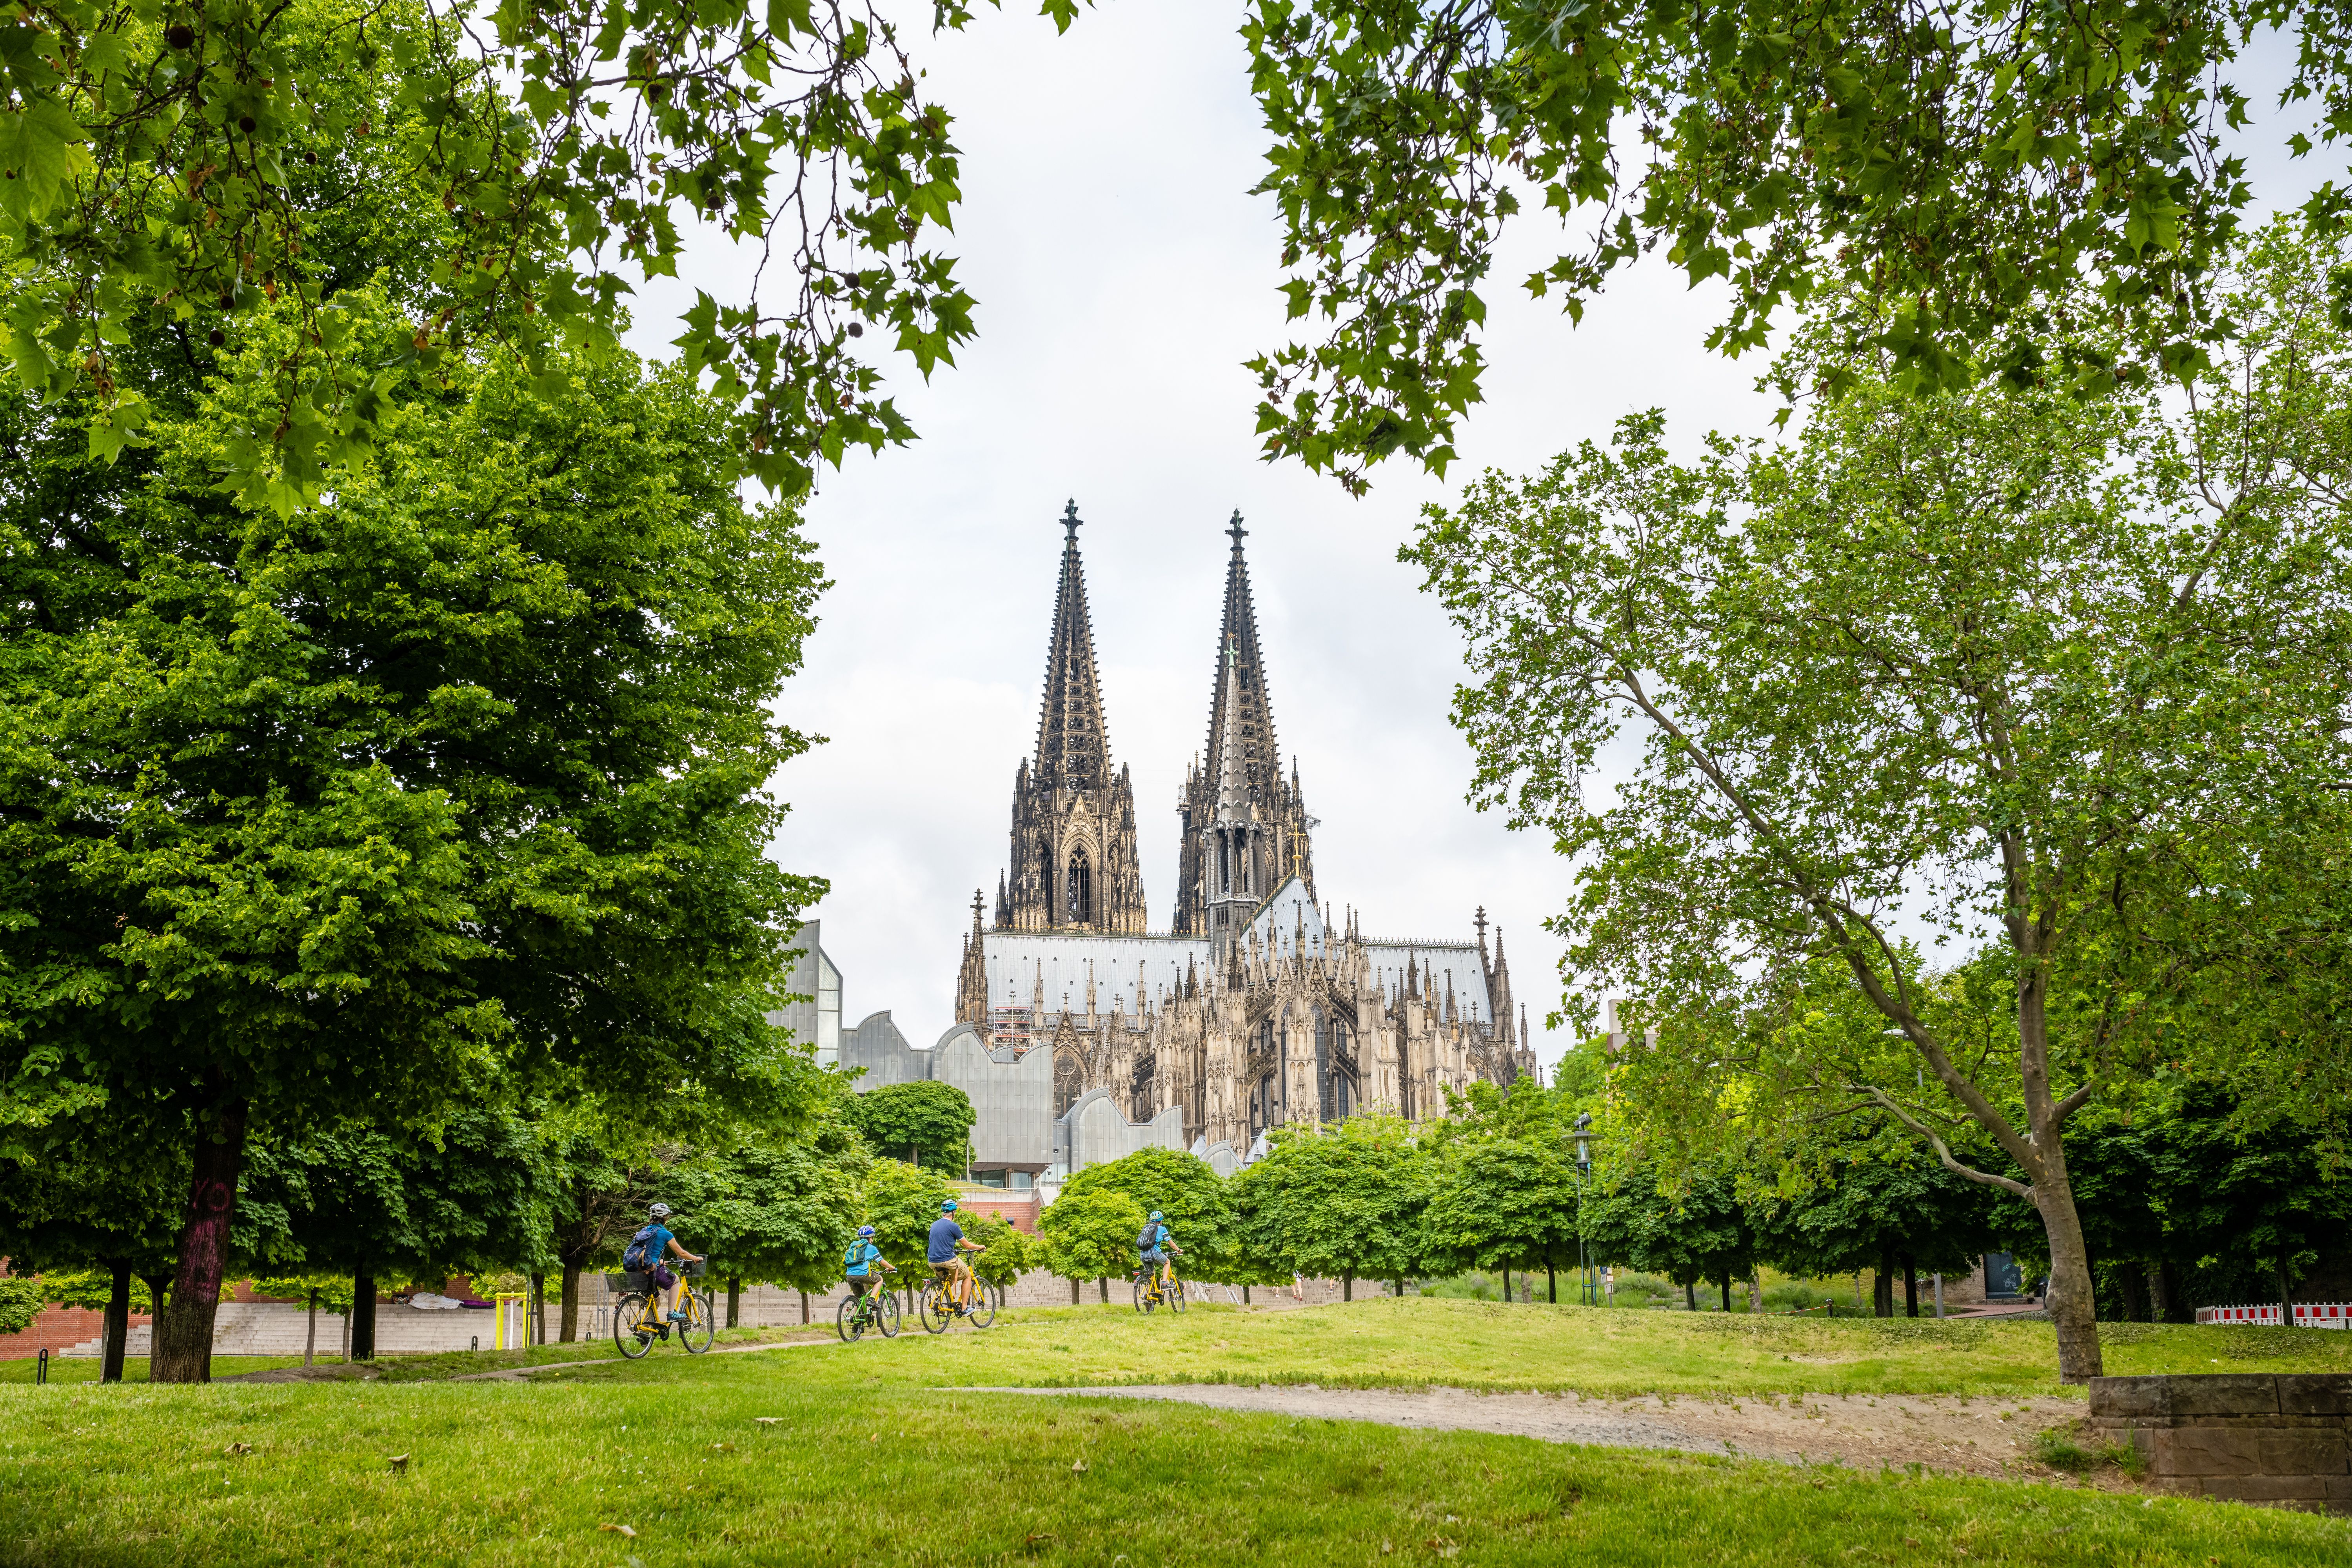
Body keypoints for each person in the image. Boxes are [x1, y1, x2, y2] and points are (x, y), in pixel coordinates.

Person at [635, 1202, 704, 1330]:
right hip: (652, 1272)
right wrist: (695, 1258)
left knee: (656, 1301)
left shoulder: (644, 1231)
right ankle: (672, 1313)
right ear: (665, 1218)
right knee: (676, 1280)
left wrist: (661, 1262)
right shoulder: (665, 1234)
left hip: (639, 1271)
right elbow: (681, 1253)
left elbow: (645, 1254)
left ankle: (645, 1331)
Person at [927, 1198, 985, 1311]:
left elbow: (940, 1243)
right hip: (947, 1260)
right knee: (968, 1275)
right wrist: (980, 1247)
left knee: (949, 1280)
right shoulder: (954, 1227)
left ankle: (938, 1302)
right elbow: (967, 1245)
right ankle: (964, 1308)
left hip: (932, 1261)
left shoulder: (934, 1225)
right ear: (954, 1213)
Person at [844, 1225, 894, 1317]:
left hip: (850, 1276)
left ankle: (857, 1326)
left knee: (859, 1300)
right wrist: (892, 1268)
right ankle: (872, 1300)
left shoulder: (853, 1246)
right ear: (870, 1238)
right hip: (863, 1274)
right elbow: (882, 1263)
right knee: (880, 1279)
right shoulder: (871, 1248)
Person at [1138, 1210, 1182, 1293]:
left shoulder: (1147, 1228)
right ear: (1161, 1221)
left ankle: (1147, 1297)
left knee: (1151, 1276)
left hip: (1143, 1254)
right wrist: (1179, 1250)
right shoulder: (1162, 1229)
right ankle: (1165, 1283)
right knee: (1167, 1262)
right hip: (1154, 1252)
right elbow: (1171, 1244)